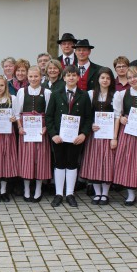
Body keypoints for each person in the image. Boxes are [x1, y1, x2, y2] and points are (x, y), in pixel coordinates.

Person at [45, 65, 92, 208]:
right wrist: (53, 134)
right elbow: (49, 116)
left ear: (78, 77)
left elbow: (88, 118)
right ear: (64, 77)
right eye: (68, 75)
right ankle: (59, 194)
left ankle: (70, 193)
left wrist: (83, 134)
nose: (71, 78)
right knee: (59, 163)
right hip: (59, 137)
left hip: (75, 138)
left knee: (72, 164)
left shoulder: (84, 96)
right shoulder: (56, 94)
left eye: (74, 75)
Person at [80, 68, 119, 206]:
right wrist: (91, 125)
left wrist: (114, 137)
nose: (105, 80)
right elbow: (86, 114)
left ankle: (105, 193)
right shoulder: (91, 94)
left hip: (108, 136)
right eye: (102, 77)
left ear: (111, 80)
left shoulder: (116, 95)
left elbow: (117, 117)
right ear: (98, 79)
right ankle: (97, 193)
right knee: (95, 163)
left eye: (108, 78)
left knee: (107, 163)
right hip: (95, 135)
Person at [16, 66, 52, 202]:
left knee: (40, 160)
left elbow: (49, 114)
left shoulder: (47, 92)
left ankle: (38, 189)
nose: (33, 79)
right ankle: (26, 189)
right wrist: (19, 127)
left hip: (40, 130)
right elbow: (17, 112)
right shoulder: (22, 91)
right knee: (27, 160)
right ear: (27, 77)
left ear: (41, 77)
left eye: (36, 76)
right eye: (30, 76)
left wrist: (46, 128)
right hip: (26, 130)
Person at [113, 66, 137, 206]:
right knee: (129, 163)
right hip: (129, 133)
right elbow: (117, 115)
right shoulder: (122, 94)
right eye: (129, 77)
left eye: (135, 76)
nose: (132, 80)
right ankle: (131, 194)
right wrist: (121, 119)